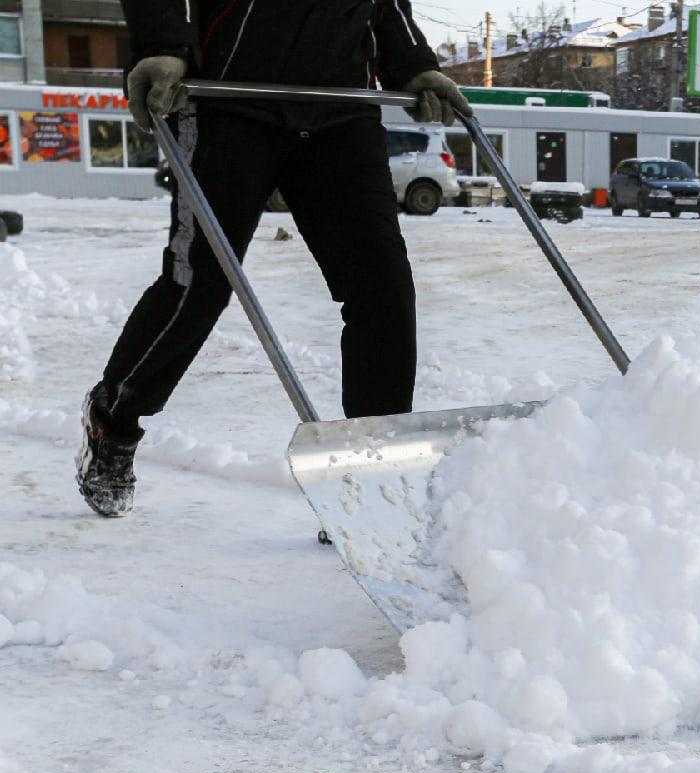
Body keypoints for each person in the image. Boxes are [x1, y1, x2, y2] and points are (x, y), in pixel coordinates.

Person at [76, 0, 470, 518]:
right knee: (201, 282)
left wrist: (414, 65)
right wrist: (165, 48)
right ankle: (115, 418)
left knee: (383, 287)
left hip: (340, 110)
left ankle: (370, 478)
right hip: (227, 102)